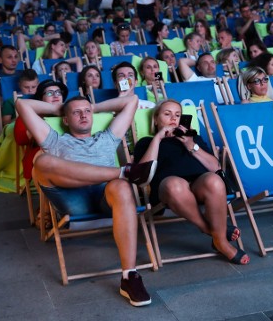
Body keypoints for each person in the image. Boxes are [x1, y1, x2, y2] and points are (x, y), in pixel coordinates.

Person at [16, 93, 156, 306]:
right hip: (73, 201)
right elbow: (22, 103)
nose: (83, 115)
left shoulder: (107, 138)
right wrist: (58, 109)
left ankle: (130, 277)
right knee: (42, 161)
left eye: (87, 112)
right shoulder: (55, 139)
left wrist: (94, 106)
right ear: (66, 119)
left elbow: (132, 100)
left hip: (106, 198)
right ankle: (124, 172)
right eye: (76, 112)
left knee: (120, 186)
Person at [134, 99, 248, 265]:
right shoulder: (146, 142)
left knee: (214, 181)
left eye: (177, 115)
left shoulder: (194, 138)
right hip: (168, 188)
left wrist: (192, 146)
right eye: (167, 114)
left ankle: (216, 237)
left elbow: (215, 167)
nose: (173, 118)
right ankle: (216, 236)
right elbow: (141, 174)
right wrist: (157, 138)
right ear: (156, 119)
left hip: (198, 184)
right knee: (175, 185)